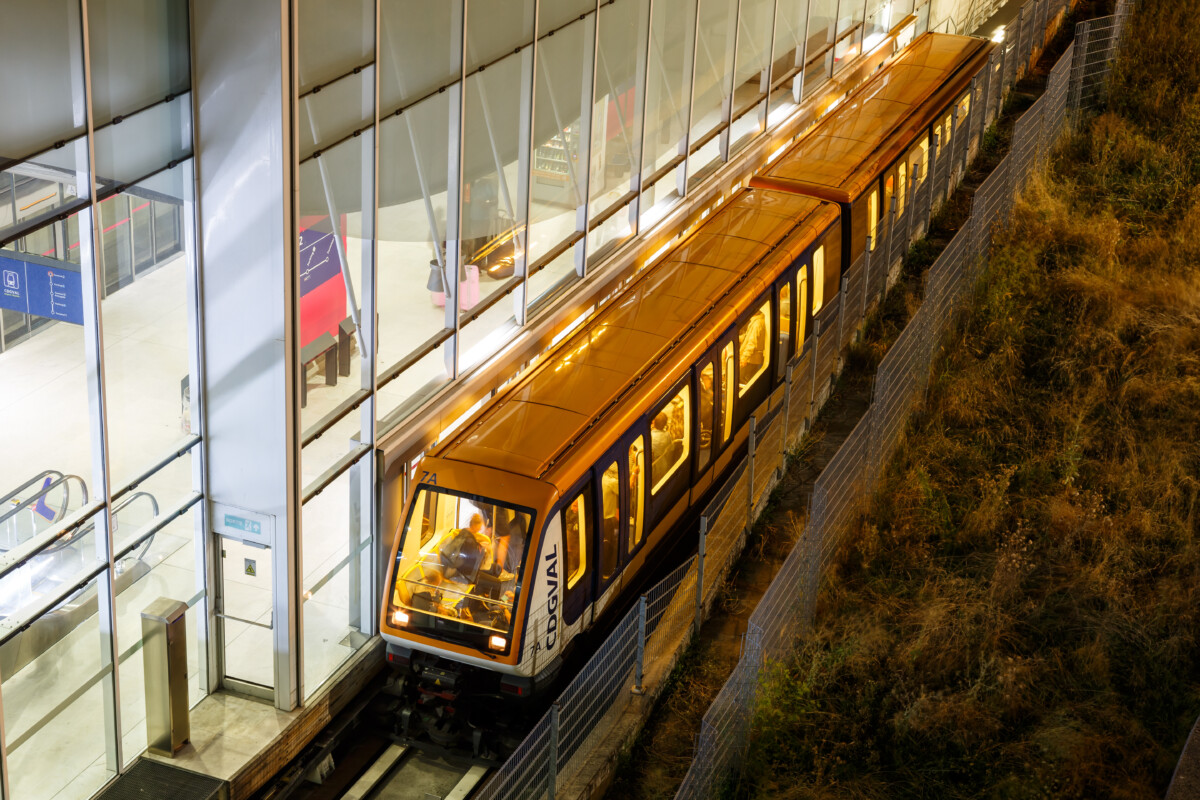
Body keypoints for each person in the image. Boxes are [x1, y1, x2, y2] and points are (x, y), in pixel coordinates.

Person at [439, 513, 489, 583]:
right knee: (488, 575)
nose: (480, 529)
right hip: (454, 572)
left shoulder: (463, 532)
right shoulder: (470, 541)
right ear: (474, 526)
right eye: (479, 527)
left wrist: (478, 545)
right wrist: (483, 549)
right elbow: (474, 560)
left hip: (446, 565)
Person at [739, 311, 766, 380]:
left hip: (750, 358)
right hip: (754, 358)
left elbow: (752, 343)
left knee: (738, 377)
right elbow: (748, 336)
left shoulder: (757, 324)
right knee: (750, 378)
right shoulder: (758, 321)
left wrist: (745, 358)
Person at [651, 411, 673, 477]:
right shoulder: (667, 435)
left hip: (654, 466)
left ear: (653, 423)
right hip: (664, 465)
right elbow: (671, 449)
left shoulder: (650, 435)